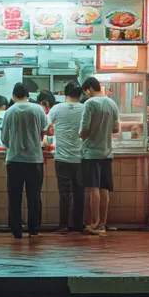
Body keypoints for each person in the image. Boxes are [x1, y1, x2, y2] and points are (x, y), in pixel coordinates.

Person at [1, 82, 49, 239]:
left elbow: (4, 138)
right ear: (28, 95)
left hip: (14, 160)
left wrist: (12, 146)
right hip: (34, 159)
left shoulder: (9, 111)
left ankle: (16, 230)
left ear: (14, 96)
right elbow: (44, 132)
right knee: (34, 196)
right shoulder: (38, 110)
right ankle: (34, 229)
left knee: (14, 197)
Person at [79, 76, 121, 237]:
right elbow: (116, 129)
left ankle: (94, 223)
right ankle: (103, 223)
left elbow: (83, 131)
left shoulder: (90, 104)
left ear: (89, 89)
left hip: (91, 153)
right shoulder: (111, 103)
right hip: (107, 152)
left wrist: (85, 134)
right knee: (104, 189)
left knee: (93, 188)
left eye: (86, 92)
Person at [47, 82, 86, 234]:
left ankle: (63, 224)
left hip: (62, 157)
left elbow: (47, 128)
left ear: (65, 94)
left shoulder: (56, 109)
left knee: (64, 192)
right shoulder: (85, 108)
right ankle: (77, 224)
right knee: (79, 192)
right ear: (80, 94)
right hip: (80, 157)